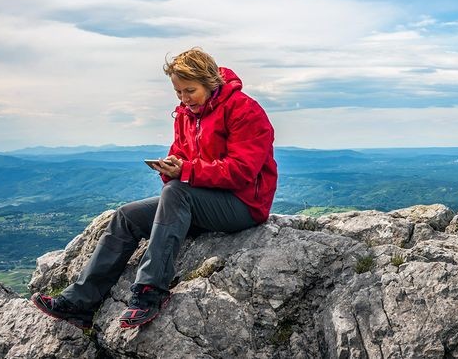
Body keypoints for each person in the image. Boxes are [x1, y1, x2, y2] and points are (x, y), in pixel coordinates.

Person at [31, 47, 278, 329]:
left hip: (243, 205)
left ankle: (150, 293)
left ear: (210, 83)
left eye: (190, 90)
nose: (184, 99)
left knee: (176, 192)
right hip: (202, 200)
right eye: (178, 93)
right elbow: (181, 157)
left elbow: (242, 171)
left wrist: (185, 171)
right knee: (126, 216)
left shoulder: (244, 110)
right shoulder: (186, 115)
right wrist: (171, 168)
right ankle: (80, 303)